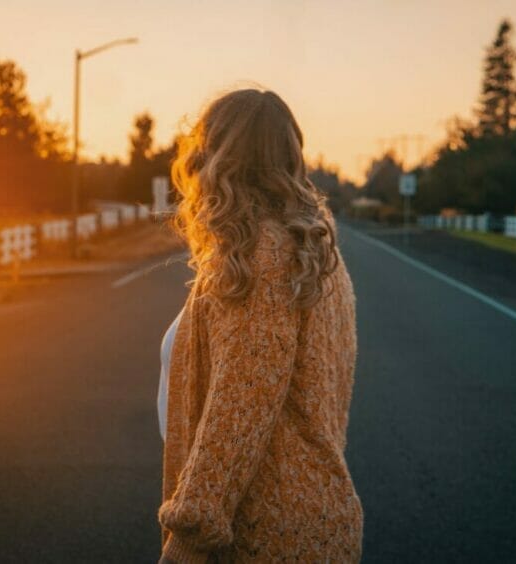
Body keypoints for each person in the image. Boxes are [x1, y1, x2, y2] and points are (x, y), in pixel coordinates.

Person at [157, 88, 363, 563]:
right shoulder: (311, 249)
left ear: (215, 156)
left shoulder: (263, 256)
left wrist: (188, 539)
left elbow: (240, 404)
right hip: (310, 520)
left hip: (266, 533)